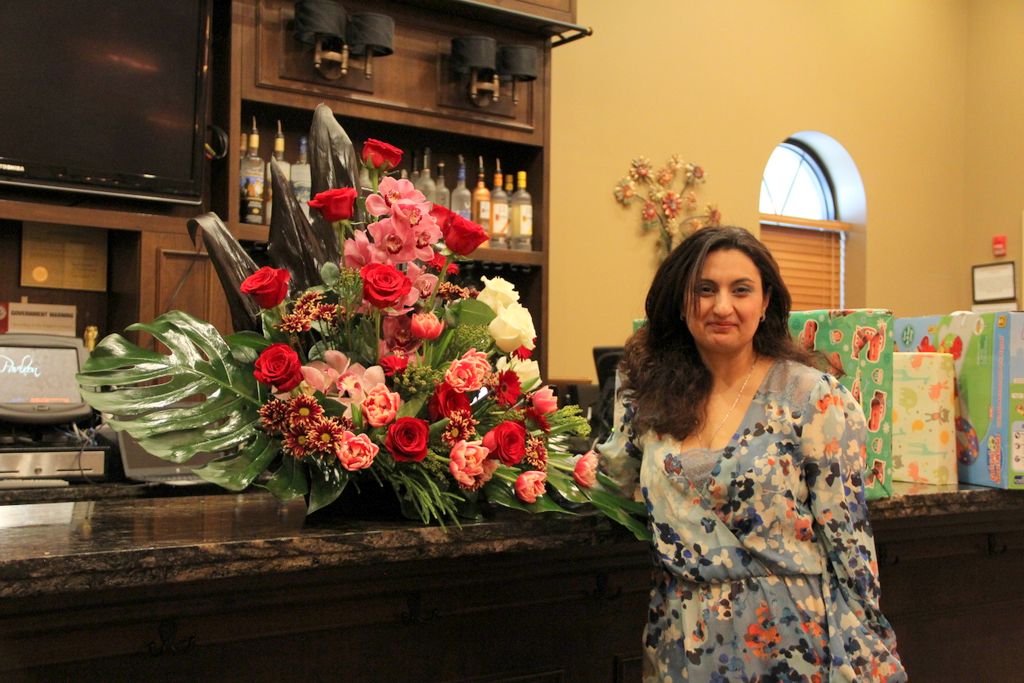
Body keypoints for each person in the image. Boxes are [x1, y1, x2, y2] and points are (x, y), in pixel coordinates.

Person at [598, 226, 906, 681]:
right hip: (681, 640)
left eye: (741, 290)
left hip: (790, 644)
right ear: (681, 302)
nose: (722, 306)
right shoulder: (647, 394)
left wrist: (863, 655)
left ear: (765, 304)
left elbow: (850, 550)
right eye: (705, 289)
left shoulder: (814, 398)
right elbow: (615, 480)